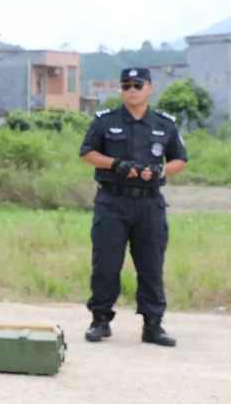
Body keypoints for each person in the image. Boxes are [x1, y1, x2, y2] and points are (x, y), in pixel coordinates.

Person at [79, 67, 186, 347]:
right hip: (112, 201)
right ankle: (100, 320)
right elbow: (87, 153)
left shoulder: (164, 123)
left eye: (137, 85)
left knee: (151, 264)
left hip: (149, 203)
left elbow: (180, 160)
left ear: (150, 88)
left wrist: (160, 171)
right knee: (106, 263)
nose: (131, 90)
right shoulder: (105, 121)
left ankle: (153, 325)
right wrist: (115, 164)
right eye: (125, 85)